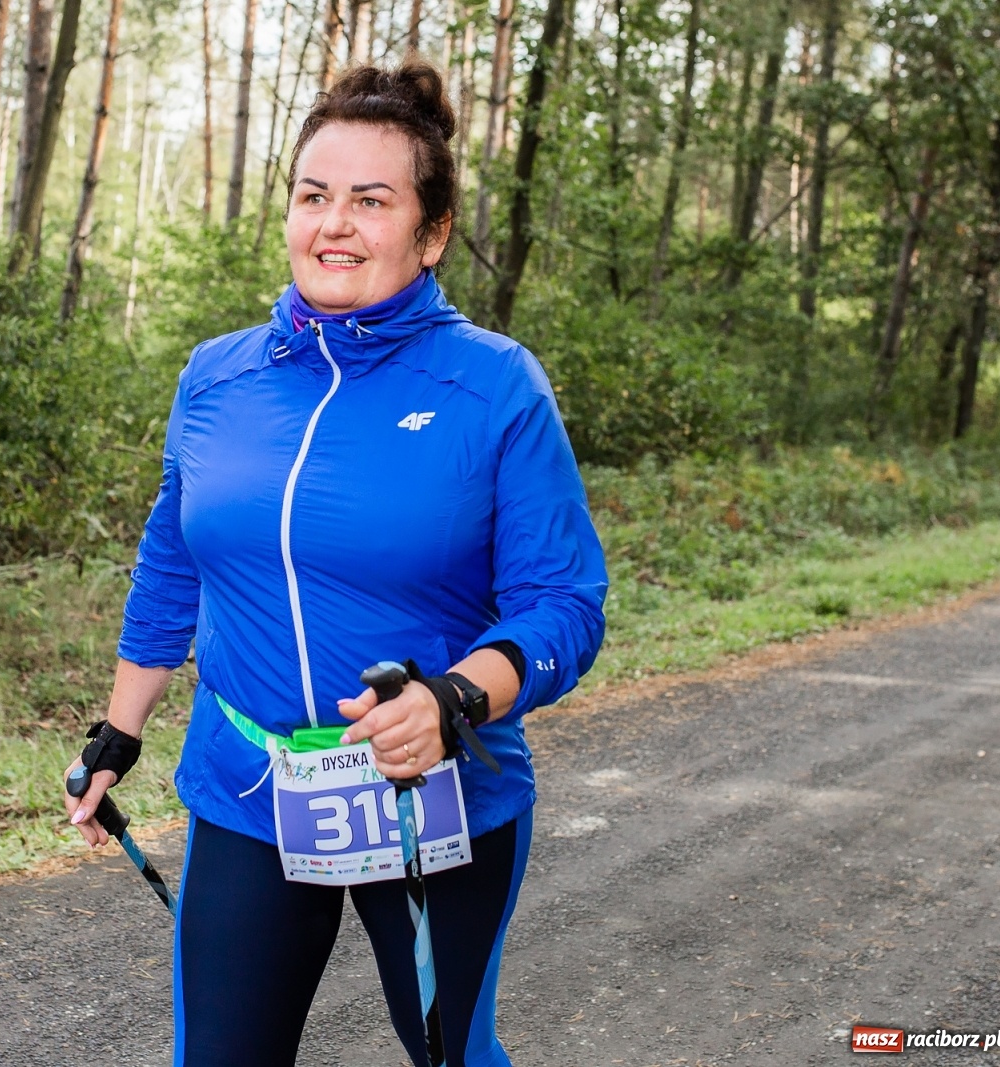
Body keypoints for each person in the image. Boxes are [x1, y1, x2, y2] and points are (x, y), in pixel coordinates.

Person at [63, 60, 607, 1067]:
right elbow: (171, 562)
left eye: (371, 199)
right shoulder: (217, 375)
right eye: (314, 196)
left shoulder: (491, 386)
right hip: (248, 784)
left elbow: (563, 604)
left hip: (434, 793)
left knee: (451, 1050)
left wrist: (453, 698)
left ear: (431, 231)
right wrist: (116, 734)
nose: (335, 224)